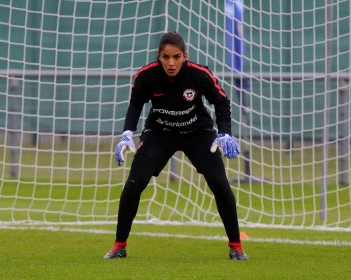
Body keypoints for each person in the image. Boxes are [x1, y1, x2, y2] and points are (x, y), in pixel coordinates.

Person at [103, 31, 248, 261]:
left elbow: (221, 101)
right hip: (160, 133)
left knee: (219, 183)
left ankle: (236, 247)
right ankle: (119, 246)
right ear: (158, 56)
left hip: (197, 133)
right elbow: (135, 104)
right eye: (165, 57)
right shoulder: (146, 76)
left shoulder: (200, 74)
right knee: (135, 181)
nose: (171, 63)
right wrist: (127, 134)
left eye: (176, 57)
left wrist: (225, 134)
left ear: (185, 56)